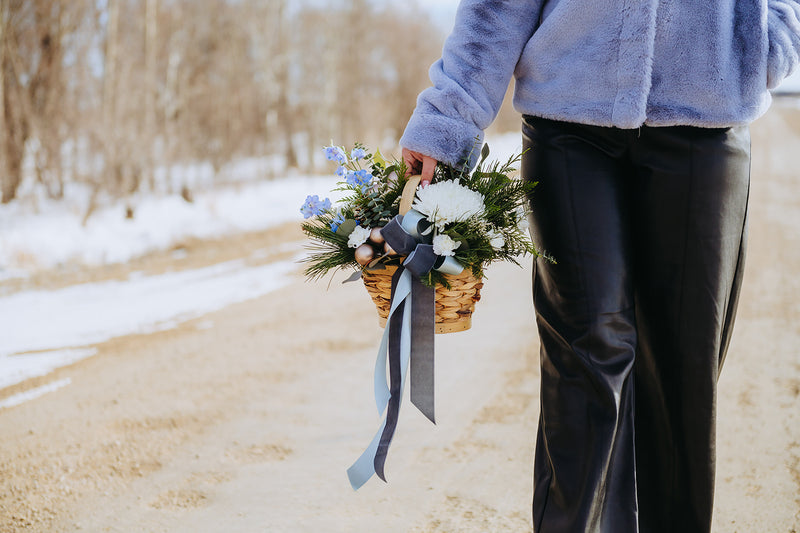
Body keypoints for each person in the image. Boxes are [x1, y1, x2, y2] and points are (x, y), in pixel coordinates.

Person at [399, 1, 800, 531]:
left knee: (683, 368)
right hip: (569, 117)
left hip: (707, 113)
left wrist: (768, 41)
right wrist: (449, 116)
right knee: (587, 350)